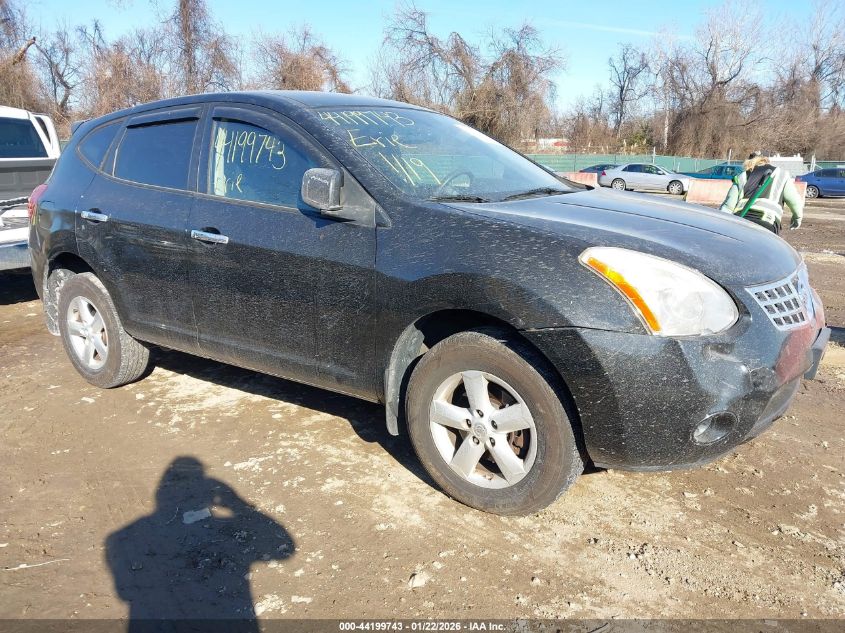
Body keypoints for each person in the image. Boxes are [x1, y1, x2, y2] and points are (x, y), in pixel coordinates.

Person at [719, 152, 803, 234]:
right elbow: (795, 201)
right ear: (767, 160)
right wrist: (797, 219)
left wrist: (720, 225)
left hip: (741, 222)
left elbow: (728, 206)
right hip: (767, 223)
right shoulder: (781, 175)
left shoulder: (742, 176)